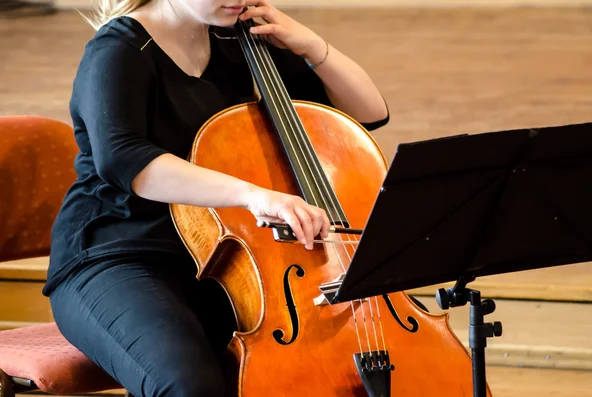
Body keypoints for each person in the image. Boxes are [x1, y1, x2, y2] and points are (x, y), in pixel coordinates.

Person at [42, 0, 390, 396]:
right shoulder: (118, 50)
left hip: (224, 258)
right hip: (118, 258)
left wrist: (312, 46)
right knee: (190, 386)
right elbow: (125, 160)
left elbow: (366, 113)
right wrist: (252, 195)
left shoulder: (236, 35)